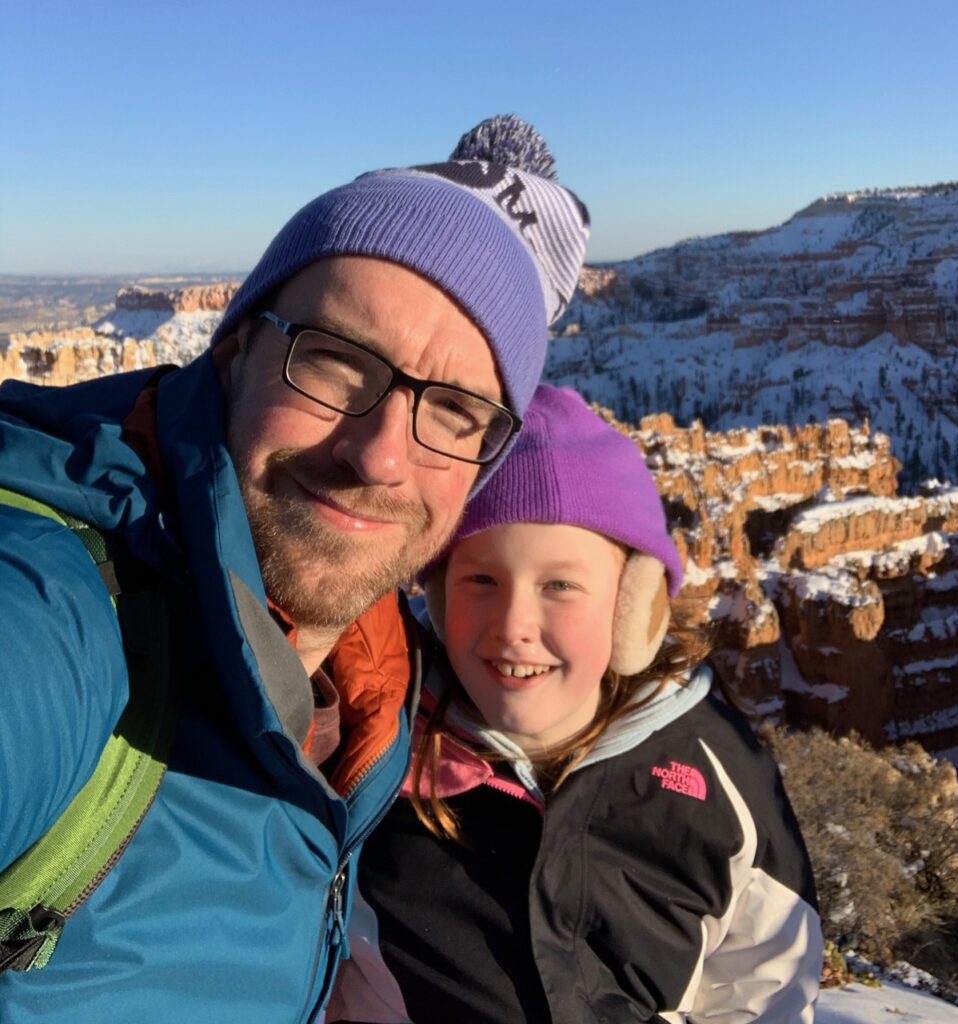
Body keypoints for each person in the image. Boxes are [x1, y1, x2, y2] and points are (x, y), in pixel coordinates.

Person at [0, 116, 590, 1022]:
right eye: (338, 362)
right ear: (236, 352)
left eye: (458, 412)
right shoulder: (57, 612)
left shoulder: (372, 682)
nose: (383, 456)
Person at [327, 385, 824, 1024]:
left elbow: (766, 988)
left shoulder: (717, 769)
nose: (514, 625)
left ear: (631, 610)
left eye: (560, 584)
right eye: (481, 579)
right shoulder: (377, 740)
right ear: (440, 595)